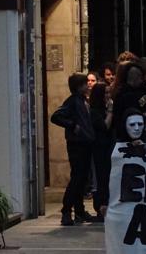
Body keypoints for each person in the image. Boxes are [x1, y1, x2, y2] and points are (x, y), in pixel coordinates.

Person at [51, 73, 95, 226]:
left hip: (84, 143)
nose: (88, 86)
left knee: (81, 179)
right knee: (77, 178)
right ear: (78, 86)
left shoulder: (83, 101)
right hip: (78, 144)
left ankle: (79, 211)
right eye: (84, 84)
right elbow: (56, 116)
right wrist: (73, 126)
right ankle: (66, 210)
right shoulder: (73, 101)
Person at [89, 83, 114, 220]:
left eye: (109, 93)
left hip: (107, 147)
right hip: (99, 148)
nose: (108, 96)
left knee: (106, 177)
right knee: (100, 177)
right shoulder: (94, 112)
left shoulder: (101, 110)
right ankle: (100, 206)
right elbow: (105, 126)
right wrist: (110, 111)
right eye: (105, 93)